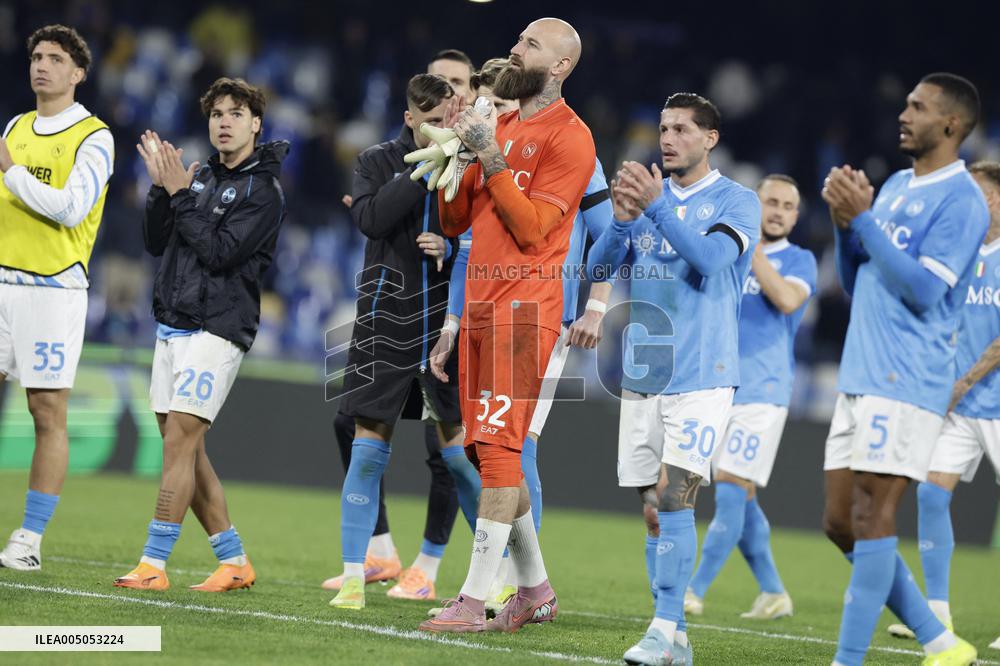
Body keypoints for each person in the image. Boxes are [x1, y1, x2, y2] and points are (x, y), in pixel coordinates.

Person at [417, 17, 595, 633]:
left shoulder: (571, 138)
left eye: (531, 45)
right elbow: (455, 220)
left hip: (525, 313)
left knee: (497, 454)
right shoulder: (504, 123)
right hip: (481, 308)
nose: (516, 51)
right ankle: (536, 590)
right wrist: (460, 153)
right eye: (518, 41)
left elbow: (534, 229)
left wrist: (488, 153)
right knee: (481, 449)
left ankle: (473, 600)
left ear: (561, 66)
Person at [588, 92, 760, 665]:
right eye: (663, 128)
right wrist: (621, 221)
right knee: (653, 509)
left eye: (682, 129)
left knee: (676, 495)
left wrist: (656, 208)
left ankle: (661, 629)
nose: (667, 138)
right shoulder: (645, 200)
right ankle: (676, 636)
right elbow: (598, 268)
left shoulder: (737, 200)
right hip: (644, 371)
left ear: (710, 138)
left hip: (704, 374)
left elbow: (710, 262)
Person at [820, 72, 986, 666]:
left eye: (918, 107)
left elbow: (923, 291)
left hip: (908, 378)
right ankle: (941, 643)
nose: (904, 114)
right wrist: (845, 225)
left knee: (873, 517)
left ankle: (847, 660)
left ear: (951, 124)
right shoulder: (892, 186)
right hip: (860, 373)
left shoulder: (962, 199)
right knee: (840, 522)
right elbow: (855, 278)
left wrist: (863, 220)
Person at [114, 78, 288, 592]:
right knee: (185, 447)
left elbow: (219, 252)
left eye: (236, 113)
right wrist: (160, 190)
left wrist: (179, 194)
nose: (224, 122)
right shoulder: (202, 177)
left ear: (256, 123)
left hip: (219, 326)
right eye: (216, 114)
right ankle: (233, 561)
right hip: (174, 321)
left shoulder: (264, 192)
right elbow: (156, 242)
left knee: (179, 443)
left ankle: (153, 564)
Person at [328, 73, 481, 610]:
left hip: (444, 325)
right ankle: (354, 576)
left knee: (459, 456)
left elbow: (479, 235)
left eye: (448, 121)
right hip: (385, 320)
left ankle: (497, 574)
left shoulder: (468, 163)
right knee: (369, 449)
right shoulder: (376, 161)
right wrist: (423, 171)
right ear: (410, 117)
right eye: (432, 122)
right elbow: (371, 219)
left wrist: (451, 246)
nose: (442, 130)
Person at [0, 25, 114, 571]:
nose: (42, 66)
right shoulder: (16, 126)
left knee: (46, 412)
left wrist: (12, 170)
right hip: (1, 279)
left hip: (51, 289)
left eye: (55, 58)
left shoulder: (94, 136)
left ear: (78, 73)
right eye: (37, 56)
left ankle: (29, 541)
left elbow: (70, 208)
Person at [685, 175, 815, 620]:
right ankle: (774, 592)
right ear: (755, 203)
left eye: (788, 206)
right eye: (770, 202)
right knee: (742, 498)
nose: (778, 212)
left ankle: (694, 589)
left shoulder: (800, 260)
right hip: (718, 384)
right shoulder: (726, 254)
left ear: (796, 217)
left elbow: (786, 299)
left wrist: (750, 242)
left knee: (731, 489)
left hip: (763, 391)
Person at [885, 160, 1000, 644]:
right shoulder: (959, 254)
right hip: (957, 403)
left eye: (979, 193)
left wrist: (964, 381)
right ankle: (937, 614)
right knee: (932, 493)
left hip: (987, 399)